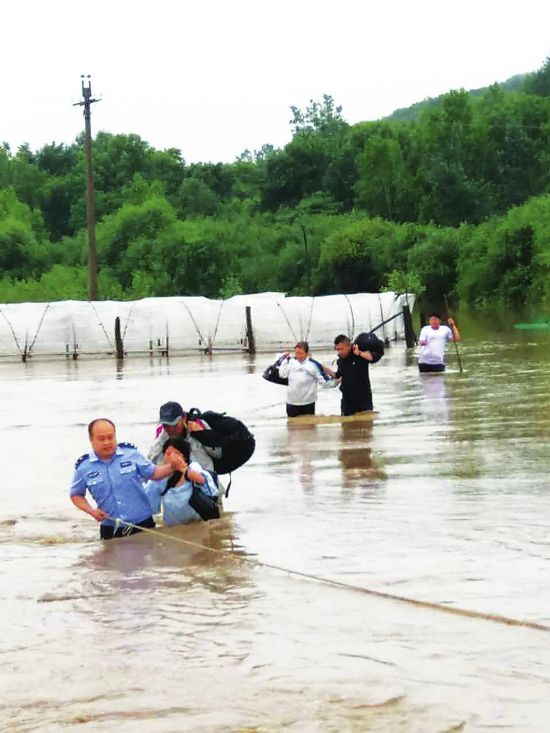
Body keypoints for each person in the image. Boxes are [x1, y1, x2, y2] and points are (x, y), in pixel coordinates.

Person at [70, 418, 181, 540]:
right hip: (111, 529)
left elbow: (154, 473)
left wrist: (172, 467)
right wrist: (92, 511)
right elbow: (76, 495)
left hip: (143, 524)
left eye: (110, 437)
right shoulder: (84, 467)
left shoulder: (131, 454)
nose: (107, 442)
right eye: (101, 439)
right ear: (91, 440)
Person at [144, 436, 220, 526]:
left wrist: (184, 469)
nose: (172, 457)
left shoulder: (193, 467)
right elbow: (149, 506)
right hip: (173, 528)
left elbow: (201, 480)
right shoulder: (160, 477)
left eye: (177, 454)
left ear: (184, 456)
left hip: (197, 525)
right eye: (168, 454)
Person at [147, 401, 220, 470]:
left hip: (205, 477)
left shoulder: (198, 428)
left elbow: (218, 454)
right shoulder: (161, 437)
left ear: (184, 418)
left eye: (175, 425)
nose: (171, 429)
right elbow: (151, 464)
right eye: (166, 425)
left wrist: (202, 435)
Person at [277, 341, 334, 417]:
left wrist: (336, 381)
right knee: (292, 425)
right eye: (296, 353)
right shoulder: (290, 362)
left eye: (301, 353)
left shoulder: (313, 365)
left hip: (308, 403)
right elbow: (282, 375)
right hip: (292, 403)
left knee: (309, 426)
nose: (298, 356)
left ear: (307, 354)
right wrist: (284, 360)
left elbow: (324, 383)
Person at [333, 334, 375, 416]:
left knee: (366, 425)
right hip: (347, 400)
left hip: (363, 398)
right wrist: (323, 369)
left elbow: (372, 358)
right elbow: (338, 376)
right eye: (337, 349)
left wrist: (359, 353)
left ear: (349, 346)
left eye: (341, 349)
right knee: (346, 425)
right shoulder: (340, 361)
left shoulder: (359, 354)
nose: (339, 352)